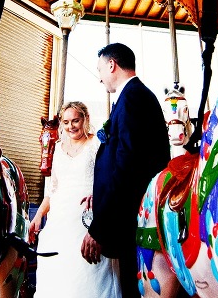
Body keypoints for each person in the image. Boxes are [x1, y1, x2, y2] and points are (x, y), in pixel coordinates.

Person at [81, 43, 170, 298]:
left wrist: (99, 228)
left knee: (134, 289)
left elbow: (127, 167)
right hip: (130, 214)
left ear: (112, 65)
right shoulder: (133, 96)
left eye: (100, 69)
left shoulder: (132, 97)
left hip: (134, 217)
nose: (99, 78)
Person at [29, 101, 121, 298]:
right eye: (66, 122)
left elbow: (110, 177)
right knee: (57, 270)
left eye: (76, 121)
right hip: (59, 220)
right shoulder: (58, 149)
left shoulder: (97, 143)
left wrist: (99, 196)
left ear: (85, 119)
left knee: (87, 271)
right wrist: (38, 216)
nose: (71, 126)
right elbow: (53, 189)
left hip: (87, 217)